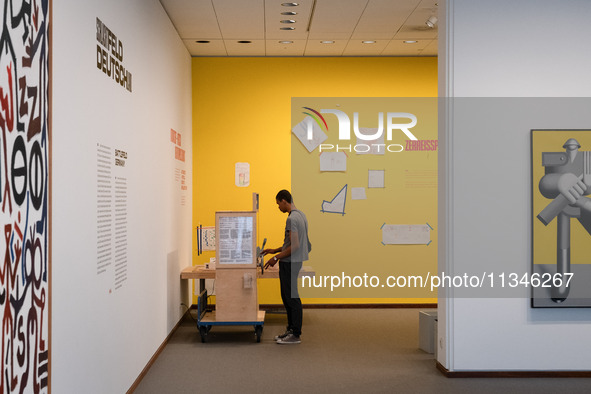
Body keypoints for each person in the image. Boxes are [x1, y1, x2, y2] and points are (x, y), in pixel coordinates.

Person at [263, 189, 310, 345]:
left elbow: (295, 246)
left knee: (291, 298)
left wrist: (275, 258)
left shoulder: (291, 219)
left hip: (290, 262)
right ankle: (290, 329)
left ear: (284, 201)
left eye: (278, 204)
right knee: (287, 296)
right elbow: (293, 243)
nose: (278, 207)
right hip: (294, 261)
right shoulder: (301, 215)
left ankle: (295, 334)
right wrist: (275, 250)